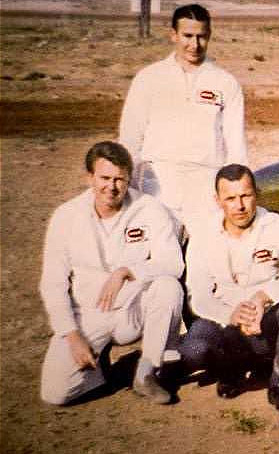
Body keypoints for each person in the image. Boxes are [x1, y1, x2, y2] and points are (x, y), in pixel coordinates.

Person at [39, 141, 184, 405]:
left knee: (168, 286)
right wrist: (72, 336)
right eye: (105, 178)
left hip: (133, 309)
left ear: (129, 179)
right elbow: (52, 284)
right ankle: (103, 368)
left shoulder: (149, 209)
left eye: (120, 179)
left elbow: (174, 263)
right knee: (55, 393)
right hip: (89, 314)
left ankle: (146, 371)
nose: (112, 187)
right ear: (89, 177)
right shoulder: (66, 216)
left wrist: (128, 271)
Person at [179, 164, 279, 413]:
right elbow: (197, 294)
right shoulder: (203, 234)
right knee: (194, 350)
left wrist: (264, 297)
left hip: (267, 322)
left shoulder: (275, 225)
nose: (240, 206)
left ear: (257, 194)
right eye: (230, 198)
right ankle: (229, 372)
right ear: (218, 200)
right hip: (225, 323)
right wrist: (230, 315)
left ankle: (277, 382)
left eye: (246, 196)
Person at [118, 3, 246, 227]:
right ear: (173, 35)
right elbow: (130, 138)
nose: (194, 45)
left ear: (209, 35)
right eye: (187, 35)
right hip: (156, 182)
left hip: (205, 185)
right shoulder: (149, 78)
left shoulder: (225, 82)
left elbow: (236, 147)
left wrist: (234, 193)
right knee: (157, 256)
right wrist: (129, 190)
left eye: (201, 37)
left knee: (205, 257)